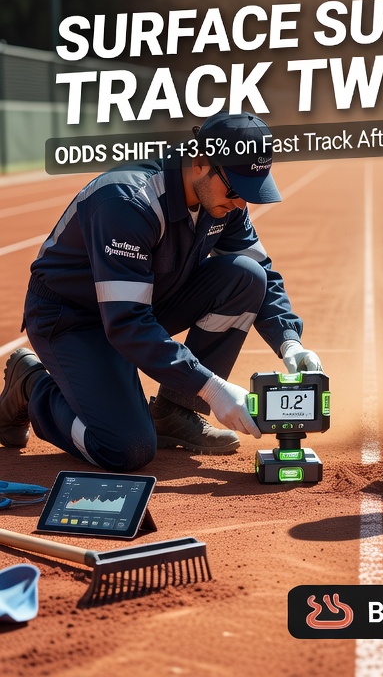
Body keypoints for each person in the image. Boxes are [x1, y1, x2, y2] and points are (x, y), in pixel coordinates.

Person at [0, 112, 322, 472]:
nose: (241, 204)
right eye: (236, 190)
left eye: (251, 193)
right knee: (126, 449)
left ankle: (175, 411)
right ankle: (32, 386)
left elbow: (260, 268)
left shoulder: (223, 200)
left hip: (140, 302)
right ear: (201, 162)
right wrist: (212, 388)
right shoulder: (127, 202)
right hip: (72, 320)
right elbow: (125, 324)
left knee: (245, 277)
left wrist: (289, 340)